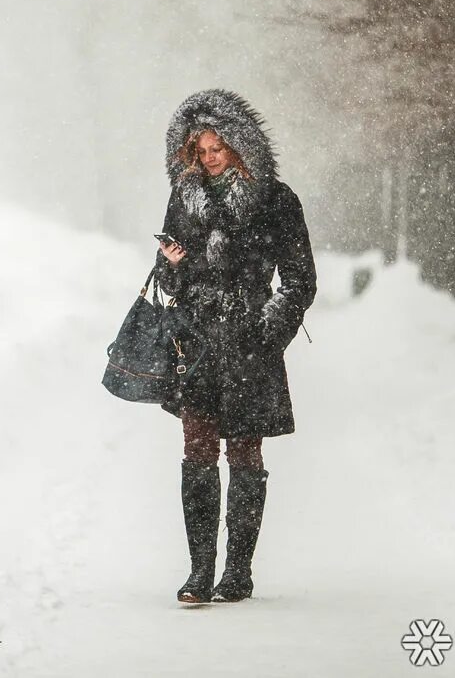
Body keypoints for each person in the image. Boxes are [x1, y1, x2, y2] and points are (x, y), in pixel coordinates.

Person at [152, 89, 317, 604]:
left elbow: (299, 280)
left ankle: (238, 572)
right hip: (197, 342)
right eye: (199, 151)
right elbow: (164, 274)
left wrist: (269, 329)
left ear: (240, 145)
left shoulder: (277, 199)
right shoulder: (184, 197)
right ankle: (200, 571)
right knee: (197, 451)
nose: (208, 158)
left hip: (250, 342)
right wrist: (173, 268)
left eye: (217, 148)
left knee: (245, 452)